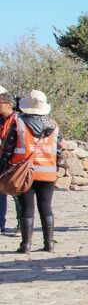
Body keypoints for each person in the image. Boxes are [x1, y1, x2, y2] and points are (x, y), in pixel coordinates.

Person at [0, 90, 61, 253]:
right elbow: (59, 151)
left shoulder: (19, 123)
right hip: (48, 172)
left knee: (27, 208)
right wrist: (56, 169)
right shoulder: (54, 125)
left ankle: (25, 244)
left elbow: (8, 149)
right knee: (46, 207)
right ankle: (49, 243)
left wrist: (2, 168)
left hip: (25, 172)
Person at [0, 89, 18, 238]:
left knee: (17, 194)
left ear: (8, 104)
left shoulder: (18, 120)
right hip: (2, 160)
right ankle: (0, 224)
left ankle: (21, 224)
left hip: (14, 162)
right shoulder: (1, 120)